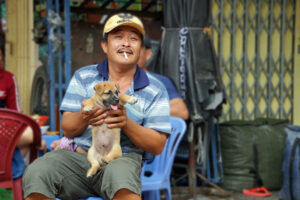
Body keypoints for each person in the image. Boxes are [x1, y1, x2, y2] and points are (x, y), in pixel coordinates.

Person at [22, 13, 171, 200]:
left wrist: (126, 123)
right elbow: (67, 129)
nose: (126, 43)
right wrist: (85, 118)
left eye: (133, 39)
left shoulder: (155, 88)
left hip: (121, 158)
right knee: (38, 171)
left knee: (123, 182)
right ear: (105, 46)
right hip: (79, 158)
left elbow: (157, 145)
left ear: (141, 49)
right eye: (118, 37)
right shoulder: (84, 77)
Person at [0, 38, 47, 179]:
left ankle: (12, 176)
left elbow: (16, 114)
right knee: (30, 142)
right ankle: (14, 176)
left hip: (3, 130)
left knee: (31, 136)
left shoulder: (8, 78)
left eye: (0, 56)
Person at [138, 35, 189, 120]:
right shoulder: (110, 80)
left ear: (148, 54)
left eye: (137, 50)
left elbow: (181, 112)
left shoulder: (160, 81)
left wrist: (140, 114)